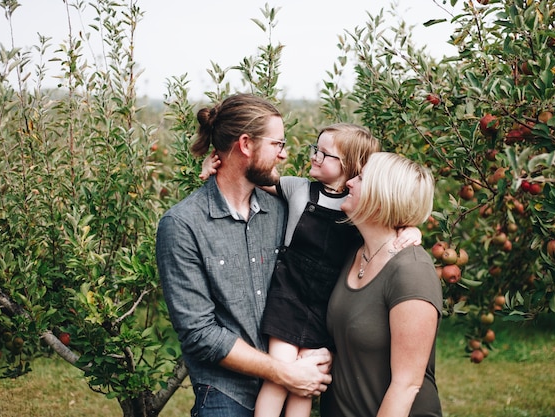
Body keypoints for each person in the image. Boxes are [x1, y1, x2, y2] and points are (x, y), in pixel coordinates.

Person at [200, 124, 422, 417]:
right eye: (315, 149)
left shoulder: (356, 206)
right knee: (280, 375)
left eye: (324, 153)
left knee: (305, 384)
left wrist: (412, 229)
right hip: (290, 296)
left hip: (325, 304)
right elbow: (251, 175)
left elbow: (387, 214)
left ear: (350, 166)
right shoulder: (299, 188)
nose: (314, 156)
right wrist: (215, 164)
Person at [156, 93, 332, 417]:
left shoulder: (283, 211)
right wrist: (283, 372)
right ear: (246, 144)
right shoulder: (183, 226)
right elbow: (200, 334)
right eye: (277, 145)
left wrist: (403, 229)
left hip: (290, 389)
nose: (284, 155)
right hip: (227, 394)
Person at [320, 152, 443, 417]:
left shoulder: (411, 271)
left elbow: (406, 385)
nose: (349, 182)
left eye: (361, 178)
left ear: (382, 195)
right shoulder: (353, 251)